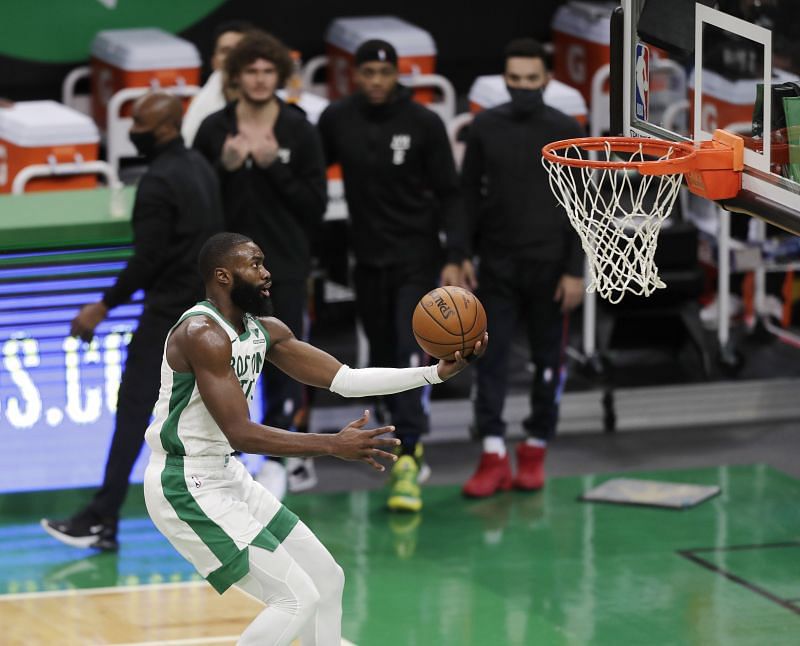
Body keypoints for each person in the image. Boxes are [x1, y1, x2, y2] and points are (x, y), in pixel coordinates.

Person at [143, 232, 487, 645]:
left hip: (225, 474)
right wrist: (331, 445)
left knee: (327, 579)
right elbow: (242, 432)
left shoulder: (262, 331)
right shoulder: (203, 334)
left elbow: (346, 379)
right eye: (254, 264)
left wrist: (434, 373)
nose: (266, 273)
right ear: (222, 276)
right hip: (185, 484)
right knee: (295, 600)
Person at [41, 93, 225, 549]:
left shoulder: (159, 180)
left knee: (133, 416)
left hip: (167, 324)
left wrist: (102, 306)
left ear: (162, 128)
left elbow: (148, 259)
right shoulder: (201, 167)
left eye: (139, 122)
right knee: (205, 423)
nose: (133, 131)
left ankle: (103, 519)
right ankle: (223, 519)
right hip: (208, 315)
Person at [317, 39, 466, 513]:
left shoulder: (423, 122)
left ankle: (411, 454)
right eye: (367, 73)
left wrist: (456, 254)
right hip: (367, 258)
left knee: (406, 350)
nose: (376, 82)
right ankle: (392, 441)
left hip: (416, 258)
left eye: (384, 73)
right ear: (355, 75)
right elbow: (307, 174)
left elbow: (450, 191)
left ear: (397, 74)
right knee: (381, 355)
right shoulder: (337, 119)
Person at [193, 31, 328, 498]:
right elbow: (198, 205)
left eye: (267, 70)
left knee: (284, 356)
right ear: (235, 76)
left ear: (280, 75)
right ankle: (224, 455)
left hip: (284, 266)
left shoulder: (298, 128)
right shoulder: (213, 129)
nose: (258, 79)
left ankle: (281, 460)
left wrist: (275, 167)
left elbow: (315, 205)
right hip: (224, 278)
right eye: (249, 70)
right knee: (223, 361)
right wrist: (222, 170)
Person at [459, 38, 585, 498]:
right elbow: (467, 195)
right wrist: (459, 255)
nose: (524, 87)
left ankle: (535, 448)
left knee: (547, 363)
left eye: (532, 80)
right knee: (487, 361)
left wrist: (576, 269)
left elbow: (581, 205)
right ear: (505, 80)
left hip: (553, 270)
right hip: (497, 266)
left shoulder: (567, 129)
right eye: (516, 80)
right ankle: (492, 452)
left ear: (547, 80)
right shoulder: (485, 128)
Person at [182, 20, 253, 146]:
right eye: (226, 51)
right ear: (214, 62)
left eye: (240, 50)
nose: (233, 57)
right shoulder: (197, 106)